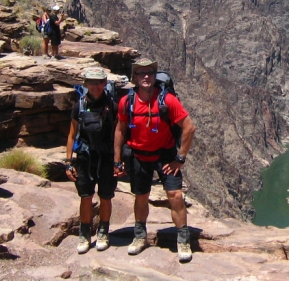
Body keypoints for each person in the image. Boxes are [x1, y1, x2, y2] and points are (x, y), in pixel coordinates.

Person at [114, 57, 196, 263]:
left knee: (175, 196)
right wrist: (117, 159)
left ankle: (183, 241)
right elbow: (120, 130)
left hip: (165, 156)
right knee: (141, 197)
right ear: (134, 77)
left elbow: (189, 127)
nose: (146, 77)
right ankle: (140, 237)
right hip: (139, 156)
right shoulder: (127, 102)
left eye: (149, 72)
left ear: (154, 75)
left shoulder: (167, 100)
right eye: (141, 73)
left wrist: (180, 158)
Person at [66, 67, 117, 253]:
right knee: (85, 197)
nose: (96, 86)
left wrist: (118, 161)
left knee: (105, 196)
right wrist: (68, 161)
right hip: (85, 158)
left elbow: (119, 134)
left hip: (106, 158)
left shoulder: (112, 106)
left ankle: (103, 231)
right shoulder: (78, 106)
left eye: (99, 82)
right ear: (86, 84)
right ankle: (85, 233)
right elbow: (72, 135)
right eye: (92, 82)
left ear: (104, 83)